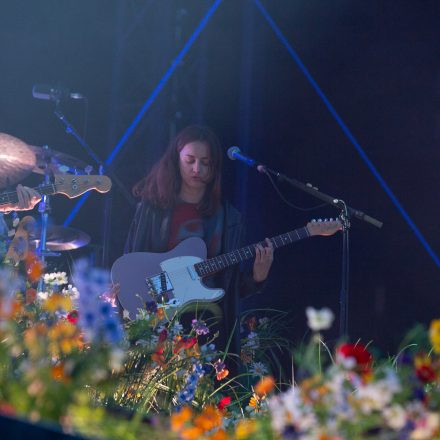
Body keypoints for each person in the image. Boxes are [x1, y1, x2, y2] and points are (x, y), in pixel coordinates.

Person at [123, 125, 274, 357]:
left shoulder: (229, 219)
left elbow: (230, 290)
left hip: (207, 330)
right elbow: (129, 264)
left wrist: (257, 278)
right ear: (176, 160)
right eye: (190, 160)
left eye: (205, 162)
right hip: (156, 324)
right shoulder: (151, 210)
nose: (197, 169)